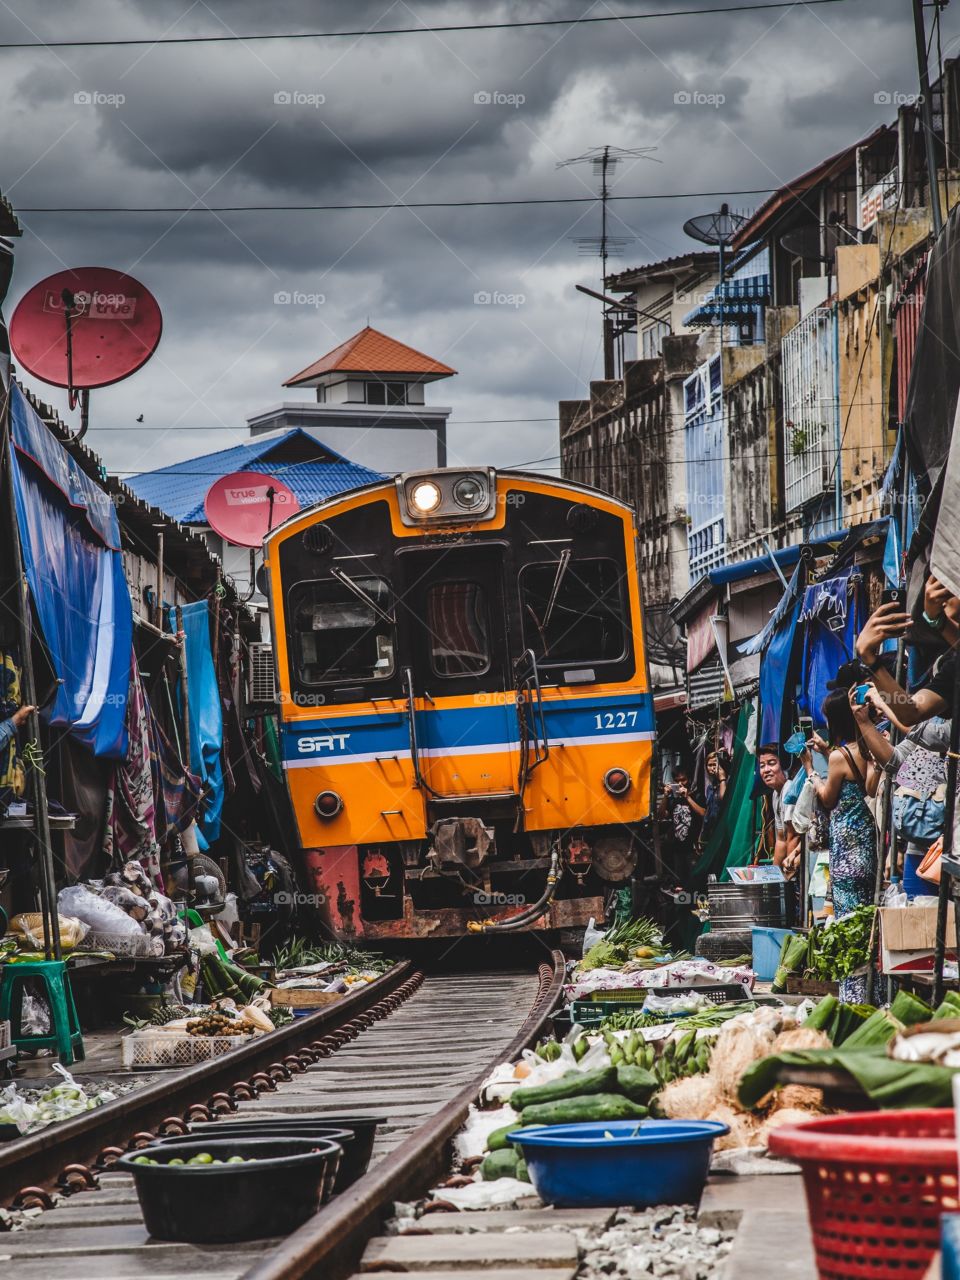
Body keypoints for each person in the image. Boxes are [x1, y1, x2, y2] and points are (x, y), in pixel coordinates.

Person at [801, 687, 880, 1001]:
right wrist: (825, 753)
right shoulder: (869, 749)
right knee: (868, 927)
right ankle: (876, 996)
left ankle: (855, 1000)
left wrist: (810, 769)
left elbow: (827, 797)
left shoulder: (837, 757)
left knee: (849, 932)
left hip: (846, 856)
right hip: (868, 852)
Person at [855, 577, 960, 726]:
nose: (942, 600)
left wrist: (939, 622)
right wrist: (869, 658)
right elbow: (911, 713)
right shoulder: (953, 665)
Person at [757, 745, 801, 877]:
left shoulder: (789, 789)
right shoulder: (776, 794)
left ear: (784, 765)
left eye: (771, 763)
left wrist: (787, 876)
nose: (766, 770)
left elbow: (793, 836)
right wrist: (773, 877)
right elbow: (781, 840)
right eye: (762, 765)